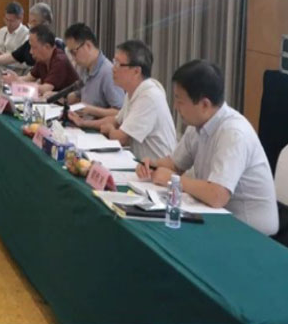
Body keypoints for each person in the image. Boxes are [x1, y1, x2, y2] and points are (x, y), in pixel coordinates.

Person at [137, 60, 278, 236]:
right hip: (218, 219)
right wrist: (150, 165)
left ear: (204, 104)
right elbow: (174, 164)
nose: (175, 107)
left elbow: (217, 195)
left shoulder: (233, 133)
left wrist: (174, 181)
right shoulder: (197, 124)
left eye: (180, 100)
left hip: (251, 233)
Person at [87, 40, 176, 161]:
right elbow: (116, 120)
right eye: (114, 62)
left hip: (157, 168)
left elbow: (120, 138)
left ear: (136, 71)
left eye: (118, 64)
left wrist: (110, 129)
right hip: (141, 165)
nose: (113, 68)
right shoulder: (132, 91)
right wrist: (83, 123)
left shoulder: (149, 97)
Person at [62, 23, 124, 127]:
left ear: (88, 45)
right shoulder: (85, 68)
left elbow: (120, 113)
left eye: (74, 52)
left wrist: (90, 110)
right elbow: (78, 95)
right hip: (83, 125)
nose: (73, 57)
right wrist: (56, 97)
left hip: (99, 132)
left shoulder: (108, 72)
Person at [2, 25, 78, 96]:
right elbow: (29, 78)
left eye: (34, 47)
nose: (30, 52)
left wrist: (18, 82)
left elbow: (44, 89)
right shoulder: (42, 59)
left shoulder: (60, 60)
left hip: (68, 104)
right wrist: (13, 79)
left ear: (47, 47)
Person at [0, 2, 53, 69]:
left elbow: (24, 63)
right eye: (7, 20)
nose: (31, 52)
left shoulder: (29, 36)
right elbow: (14, 56)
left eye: (31, 22)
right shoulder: (2, 31)